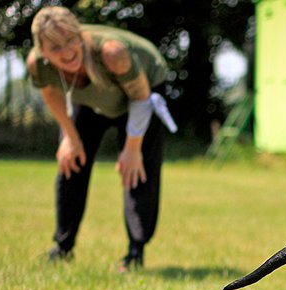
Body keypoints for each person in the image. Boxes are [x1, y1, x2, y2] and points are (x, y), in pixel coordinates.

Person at [27, 6, 177, 271]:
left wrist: (132, 148)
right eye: (55, 48)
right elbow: (50, 92)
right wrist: (69, 137)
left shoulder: (111, 53)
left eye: (71, 40)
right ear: (42, 50)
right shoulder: (38, 64)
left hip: (141, 95)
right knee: (70, 163)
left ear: (79, 34)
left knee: (137, 171)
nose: (67, 52)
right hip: (93, 100)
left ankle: (135, 252)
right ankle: (62, 247)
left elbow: (141, 98)